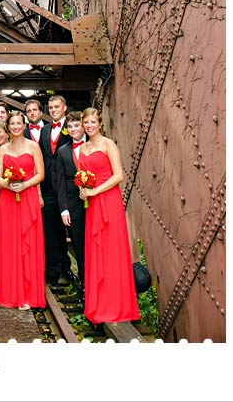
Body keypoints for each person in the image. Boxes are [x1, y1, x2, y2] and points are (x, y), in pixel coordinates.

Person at [78, 108, 140, 324]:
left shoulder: (108, 144)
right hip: (92, 204)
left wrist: (95, 190)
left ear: (100, 124)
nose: (89, 126)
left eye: (93, 122)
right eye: (86, 122)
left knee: (112, 251)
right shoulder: (83, 148)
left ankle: (116, 305)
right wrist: (84, 189)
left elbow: (118, 175)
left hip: (108, 201)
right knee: (97, 252)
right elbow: (83, 176)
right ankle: (99, 304)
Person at [0, 111, 45, 310]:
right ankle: (12, 291)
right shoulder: (3, 149)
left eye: (18, 123)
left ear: (24, 126)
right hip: (8, 199)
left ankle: (29, 294)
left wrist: (24, 185)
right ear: (8, 126)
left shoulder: (33, 146)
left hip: (28, 196)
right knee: (10, 242)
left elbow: (41, 174)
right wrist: (8, 184)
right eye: (12, 124)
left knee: (29, 242)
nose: (15, 127)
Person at [39, 94, 74, 287]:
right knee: (51, 230)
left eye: (56, 107)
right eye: (50, 107)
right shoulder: (44, 131)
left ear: (64, 108)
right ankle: (54, 271)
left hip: (68, 187)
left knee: (69, 228)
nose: (53, 110)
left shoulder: (72, 128)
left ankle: (68, 268)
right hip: (48, 188)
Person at [56, 111, 87, 300]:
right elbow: (60, 182)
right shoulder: (63, 151)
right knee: (80, 247)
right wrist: (64, 209)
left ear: (83, 126)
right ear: (67, 130)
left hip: (96, 204)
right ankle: (85, 287)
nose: (74, 129)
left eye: (77, 125)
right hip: (74, 206)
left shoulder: (94, 146)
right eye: (71, 127)